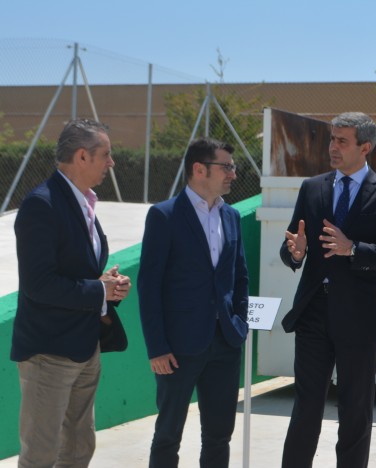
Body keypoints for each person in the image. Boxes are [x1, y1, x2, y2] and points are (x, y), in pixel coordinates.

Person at [280, 112, 376, 468]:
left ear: (364, 147)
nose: (332, 147)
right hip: (312, 315)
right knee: (305, 408)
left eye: (342, 141)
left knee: (355, 412)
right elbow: (293, 242)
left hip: (359, 320)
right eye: (331, 139)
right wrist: (296, 252)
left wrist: (353, 248)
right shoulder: (312, 187)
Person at [11, 119, 131, 467]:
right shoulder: (41, 205)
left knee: (79, 450)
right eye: (105, 155)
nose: (111, 163)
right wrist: (99, 291)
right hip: (49, 354)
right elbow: (39, 284)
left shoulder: (83, 202)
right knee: (41, 455)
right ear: (82, 156)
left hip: (84, 347)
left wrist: (103, 283)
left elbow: (73, 270)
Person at [137, 138, 249, 468]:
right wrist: (156, 347)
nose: (233, 173)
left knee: (219, 435)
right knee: (168, 434)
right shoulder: (164, 216)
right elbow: (149, 285)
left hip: (226, 343)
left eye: (233, 166)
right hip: (177, 348)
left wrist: (238, 323)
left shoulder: (231, 216)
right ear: (199, 169)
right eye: (226, 166)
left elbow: (240, 276)